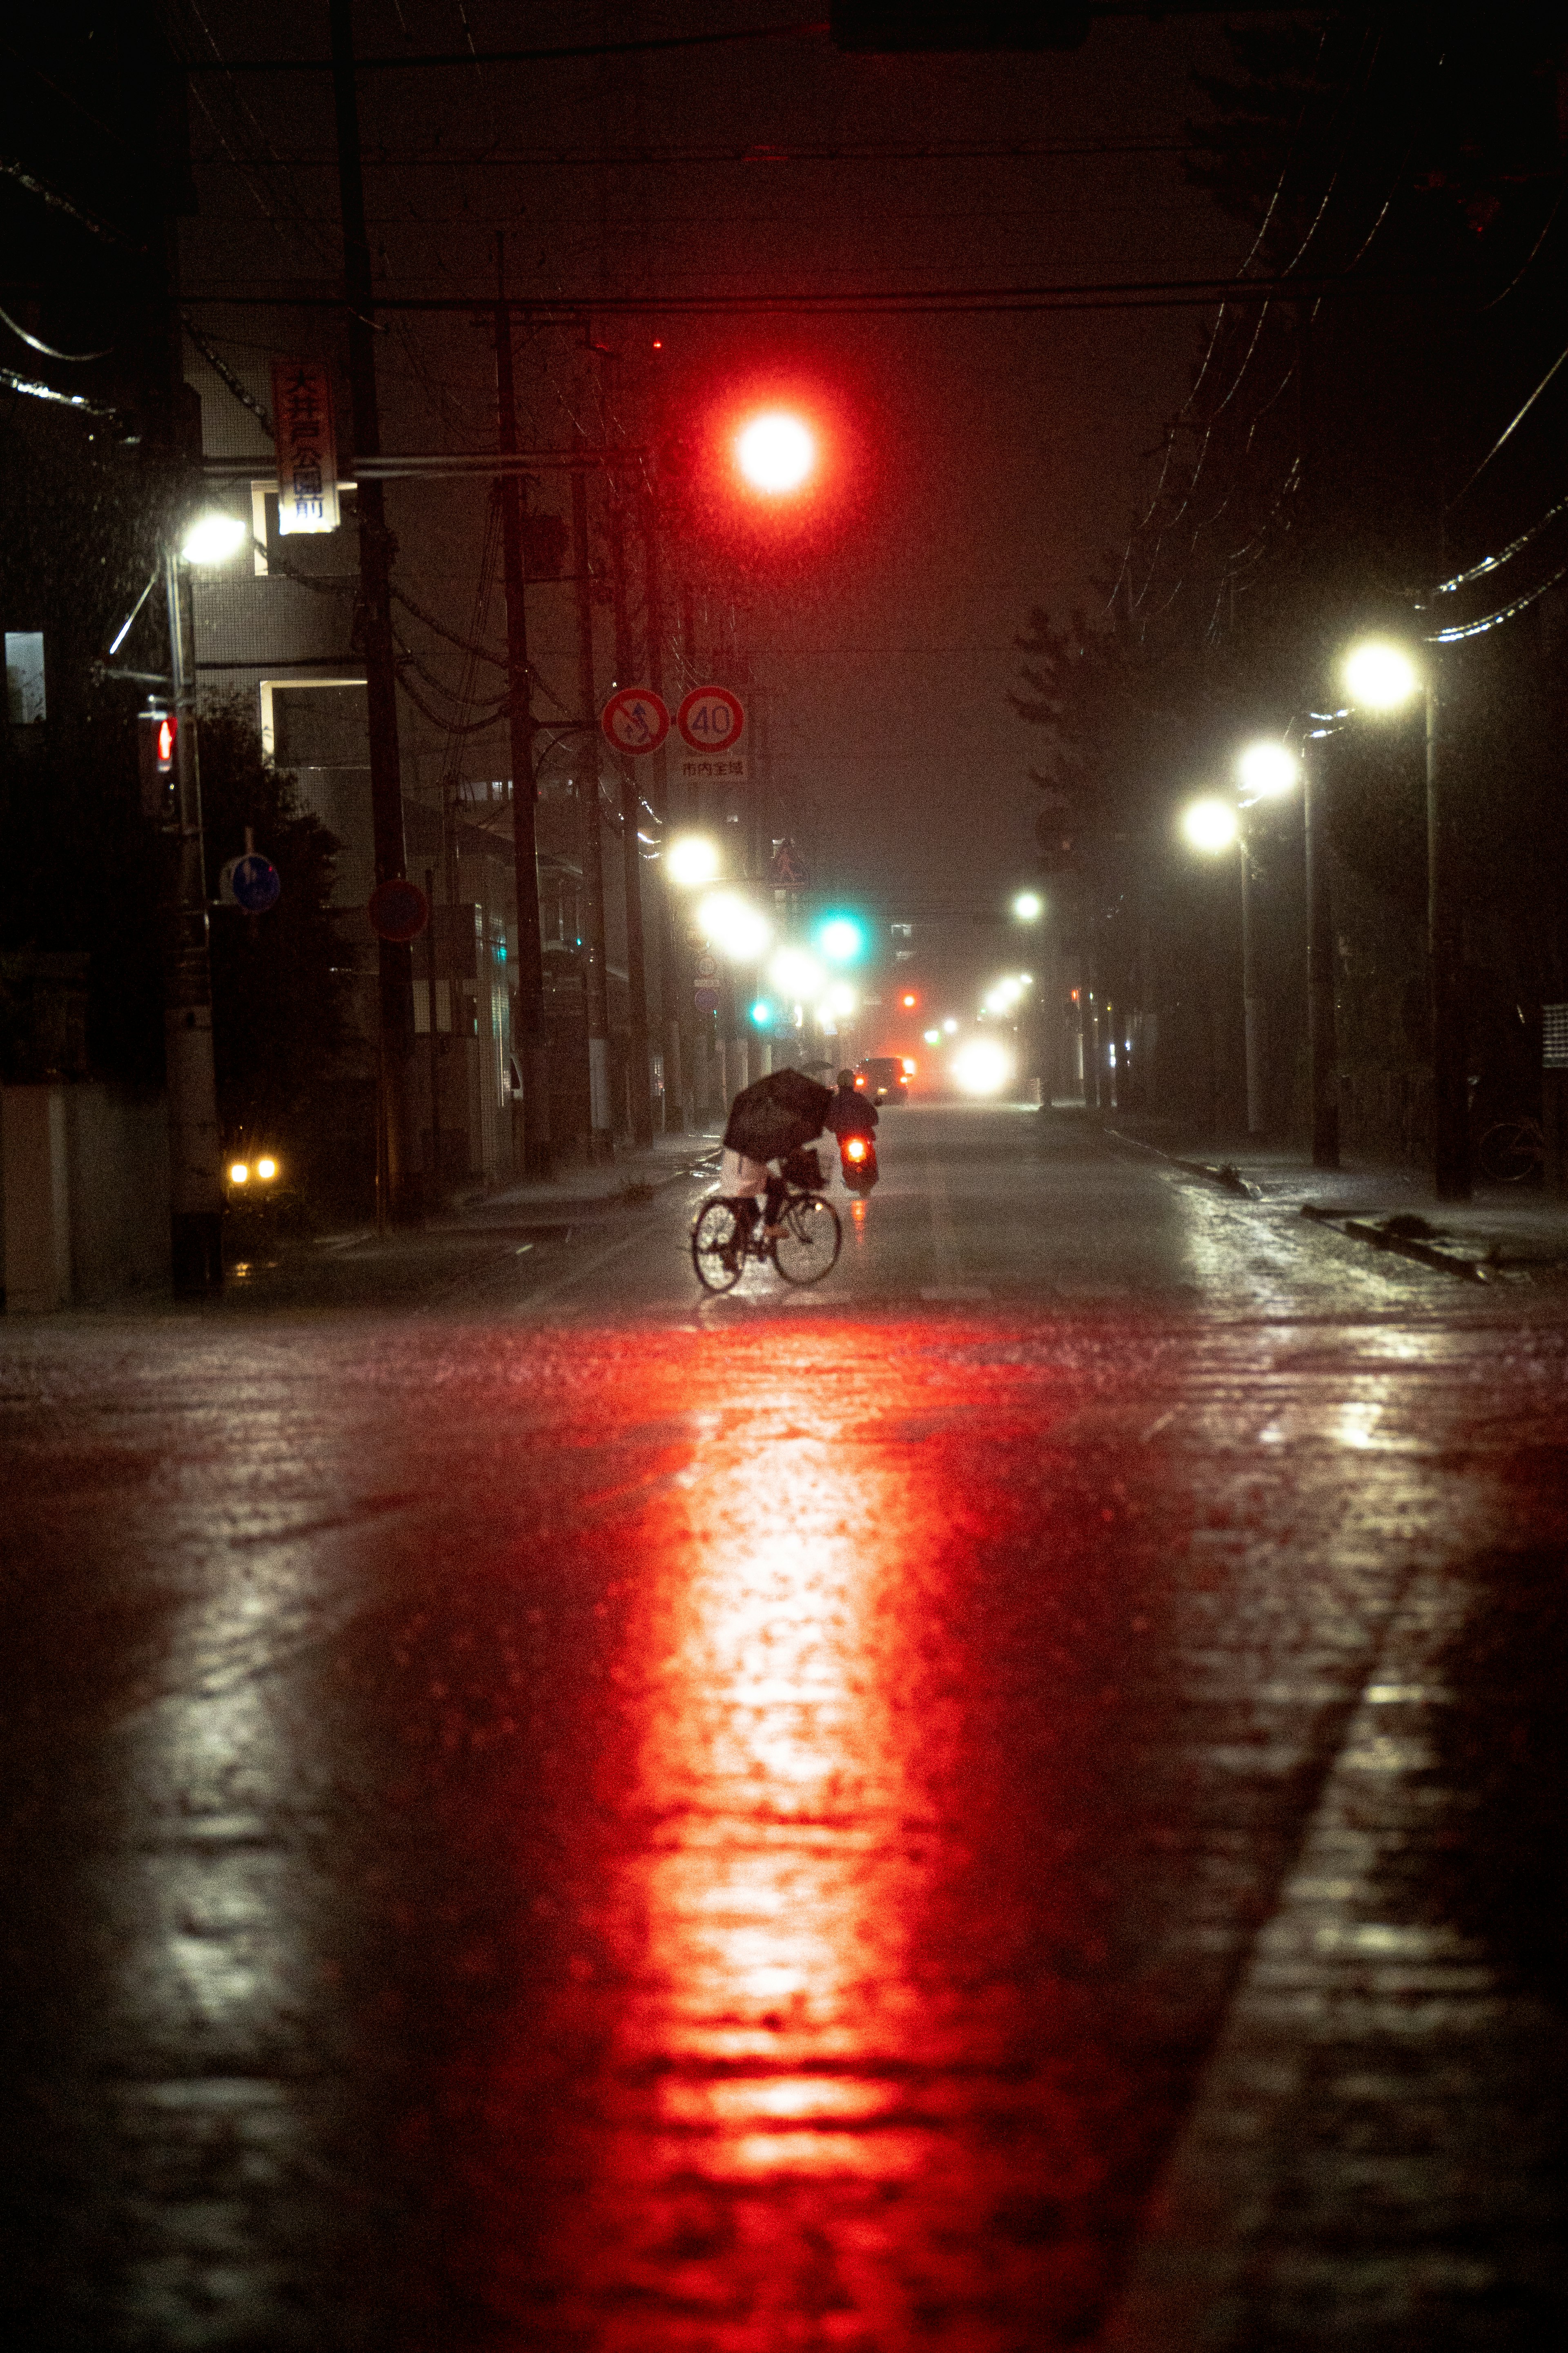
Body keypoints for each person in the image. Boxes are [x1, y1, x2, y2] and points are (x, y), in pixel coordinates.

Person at [825, 1068, 879, 1144]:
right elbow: (872, 1115)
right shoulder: (859, 1098)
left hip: (844, 1138)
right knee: (870, 1153)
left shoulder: (836, 1101)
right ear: (853, 1082)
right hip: (861, 1136)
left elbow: (830, 1121)